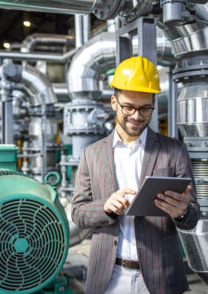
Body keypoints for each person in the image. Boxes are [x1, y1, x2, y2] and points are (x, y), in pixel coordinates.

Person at [71, 56, 200, 294]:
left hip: (161, 275)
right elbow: (78, 212)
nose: (136, 116)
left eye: (145, 108)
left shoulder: (173, 150)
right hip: (109, 277)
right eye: (128, 107)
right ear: (113, 102)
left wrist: (183, 211)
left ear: (153, 104)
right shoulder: (92, 154)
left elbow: (193, 216)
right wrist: (105, 207)